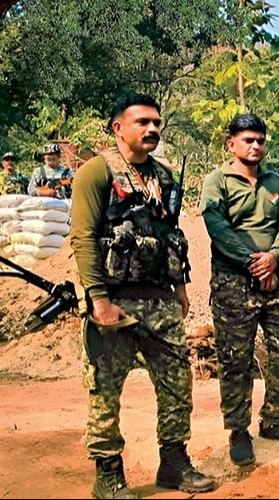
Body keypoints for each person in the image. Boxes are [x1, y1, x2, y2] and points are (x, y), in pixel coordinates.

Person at [69, 93, 215, 498]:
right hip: (114, 301)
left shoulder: (163, 176)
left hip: (161, 300)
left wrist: (180, 289)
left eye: (156, 123)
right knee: (105, 390)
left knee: (177, 384)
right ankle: (109, 476)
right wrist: (99, 300)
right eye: (142, 122)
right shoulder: (97, 172)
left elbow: (172, 237)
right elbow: (83, 238)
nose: (152, 129)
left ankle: (174, 463)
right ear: (118, 128)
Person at [201, 114, 279, 466]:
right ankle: (238, 431)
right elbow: (217, 227)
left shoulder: (275, 182)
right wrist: (253, 262)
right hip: (233, 282)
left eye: (260, 140)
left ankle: (275, 419)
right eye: (248, 140)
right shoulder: (218, 182)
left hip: (276, 279)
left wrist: (274, 258)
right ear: (231, 143)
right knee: (236, 358)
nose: (255, 146)